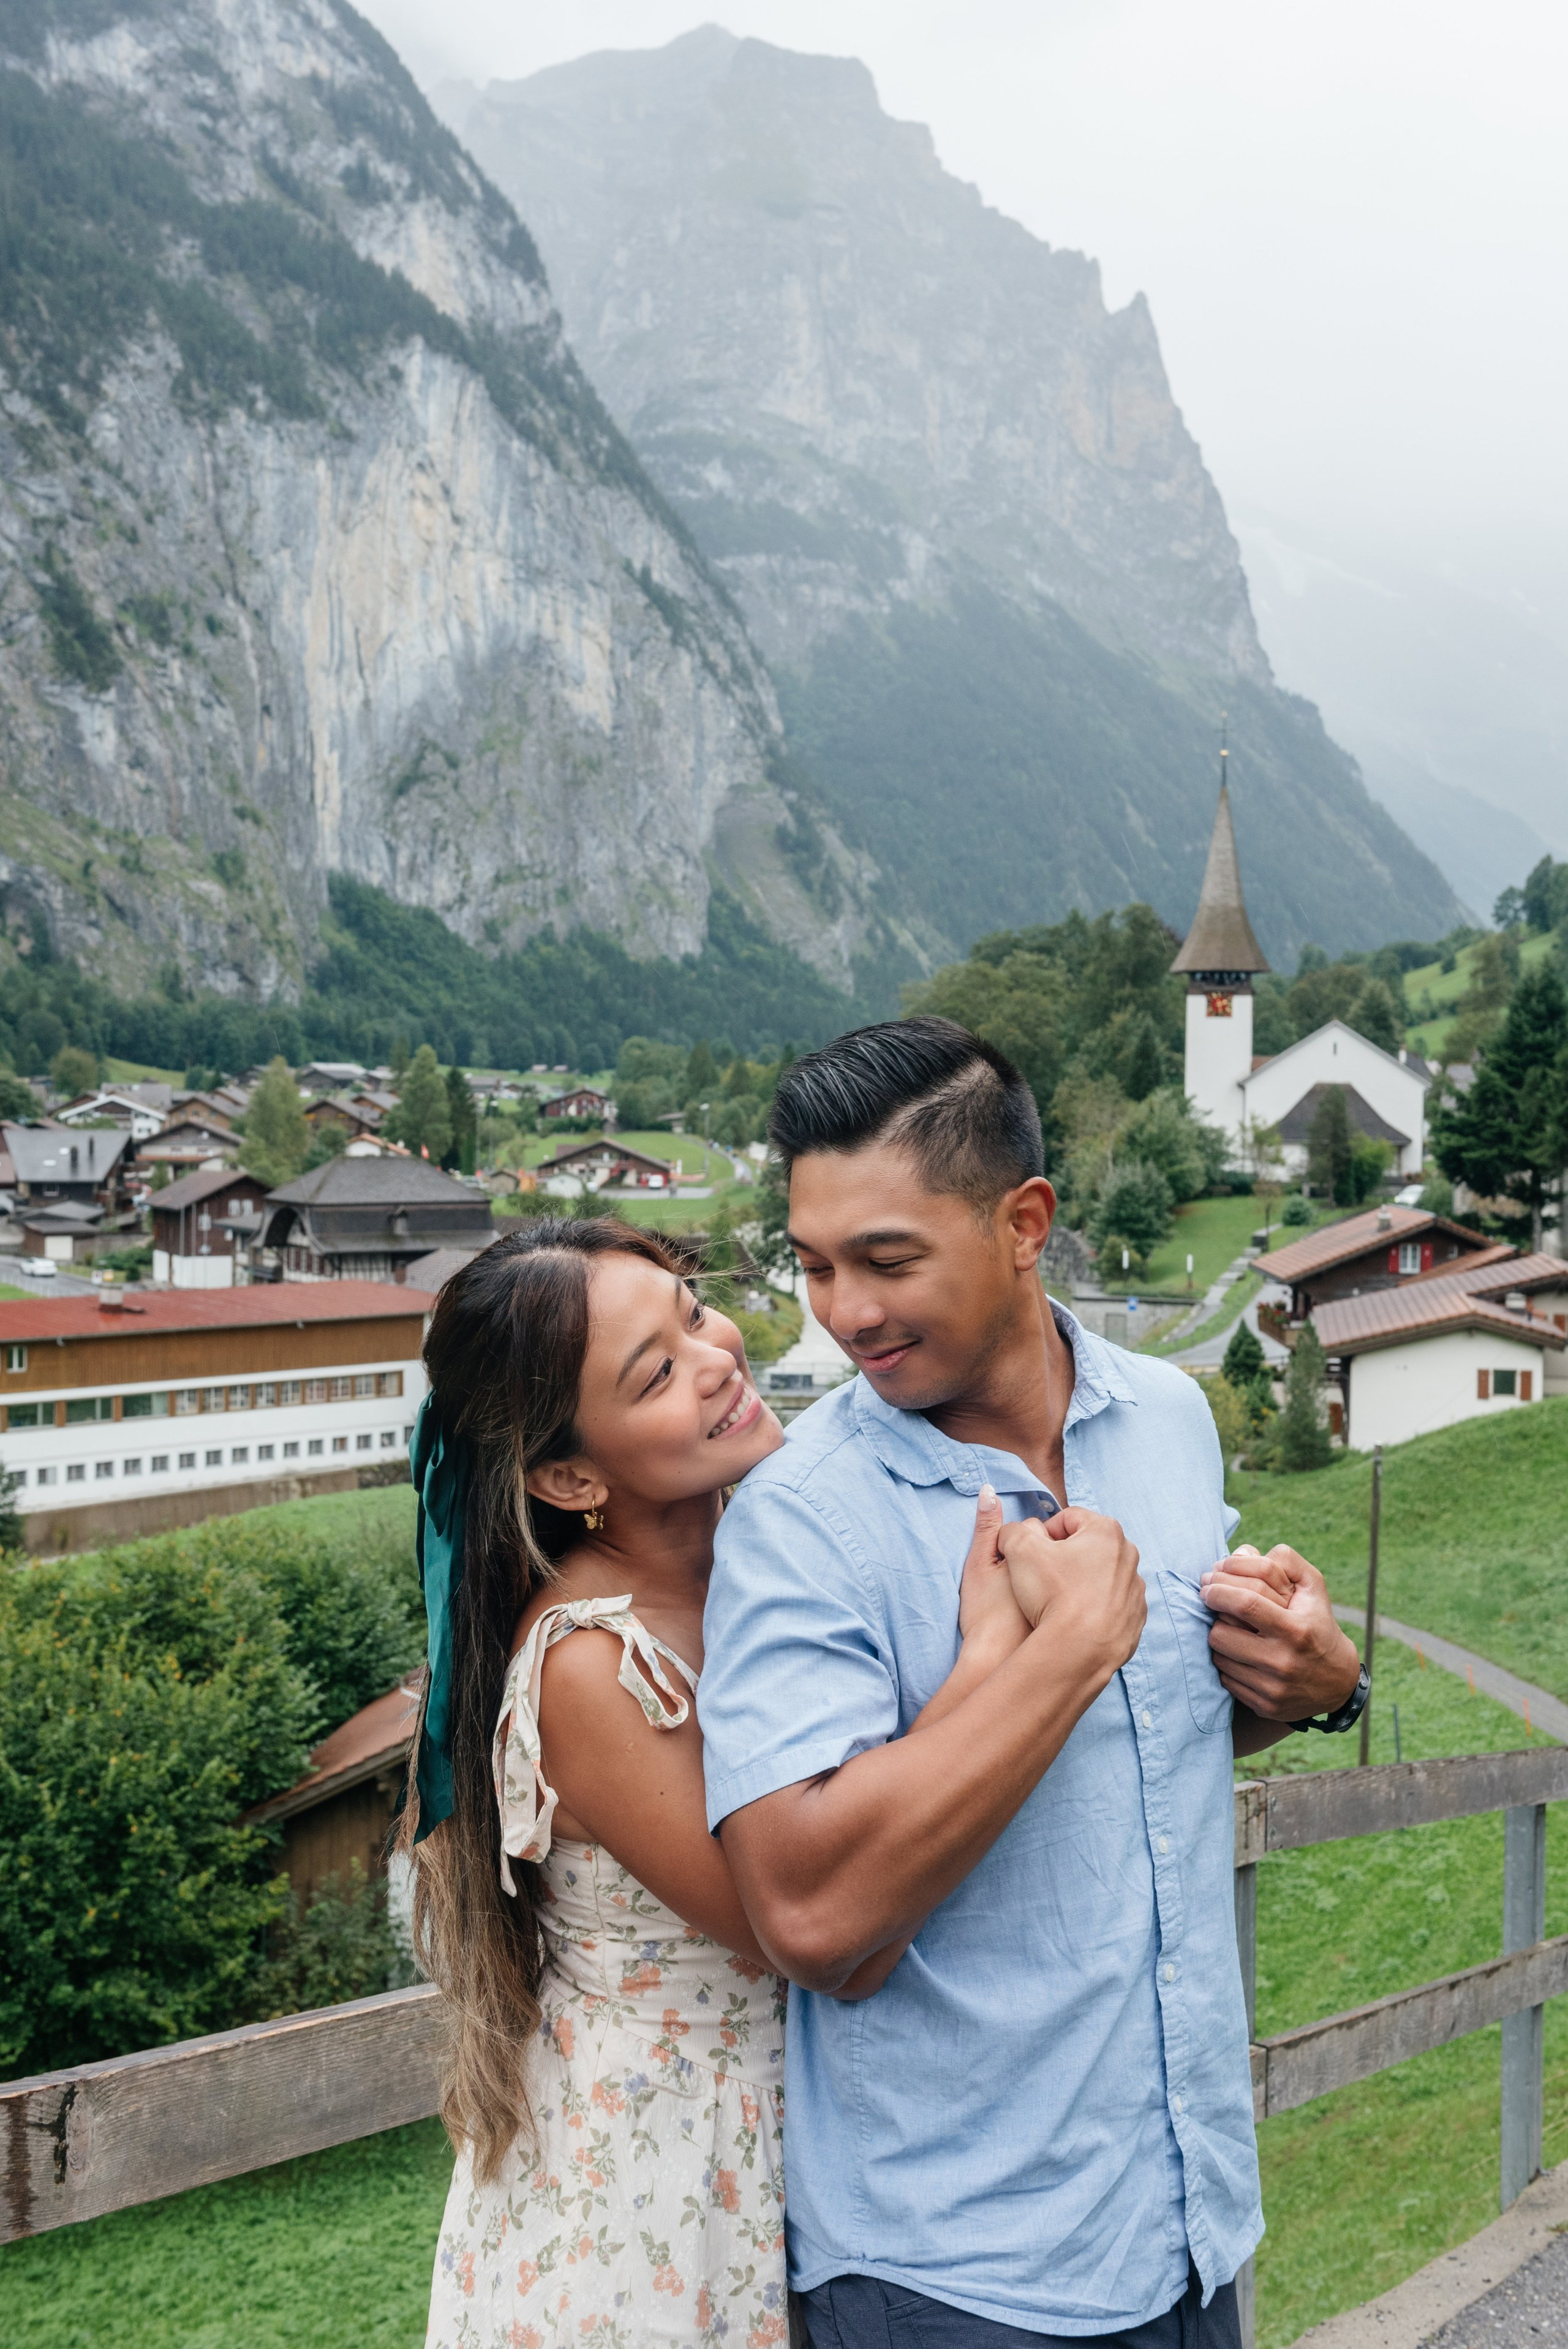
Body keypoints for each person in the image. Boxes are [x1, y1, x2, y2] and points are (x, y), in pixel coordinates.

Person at [698, 1017, 1368, 2348]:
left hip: (1186, 2222)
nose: (842, 1314)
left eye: (886, 1260)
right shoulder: (798, 1519)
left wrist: (1315, 1686)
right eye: (814, 1264)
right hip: (952, 2276)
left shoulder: (1166, 1417)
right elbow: (809, 1911)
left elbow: (1150, 1731)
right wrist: (1061, 1654)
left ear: (1023, 1222)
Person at [403, 1216, 1038, 2349]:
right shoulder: (591, 1668)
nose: (716, 1359)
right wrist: (994, 1665)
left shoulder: (767, 1557)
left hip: (806, 2141)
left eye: (693, 1313)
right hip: (658, 2187)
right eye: (656, 1373)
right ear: (569, 1472)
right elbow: (836, 1934)